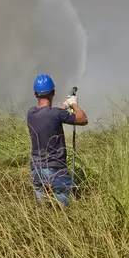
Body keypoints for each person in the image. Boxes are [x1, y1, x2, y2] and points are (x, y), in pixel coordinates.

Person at [26, 74, 87, 207]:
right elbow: (82, 119)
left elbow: (50, 114)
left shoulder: (31, 114)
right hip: (56, 170)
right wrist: (74, 104)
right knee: (63, 212)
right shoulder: (56, 114)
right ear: (53, 92)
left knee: (44, 213)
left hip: (36, 171)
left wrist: (65, 104)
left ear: (35, 94)